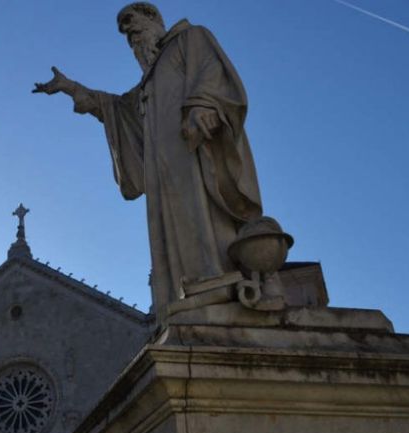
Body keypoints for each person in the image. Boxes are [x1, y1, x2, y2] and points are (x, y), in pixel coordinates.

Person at [33, 2, 263, 314]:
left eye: (132, 22)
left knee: (201, 208)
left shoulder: (189, 38)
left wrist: (202, 106)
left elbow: (212, 72)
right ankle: (183, 290)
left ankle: (216, 279)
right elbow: (114, 108)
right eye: (125, 33)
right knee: (170, 223)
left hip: (194, 147)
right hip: (162, 165)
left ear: (153, 18)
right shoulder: (148, 83)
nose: (129, 32)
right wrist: (70, 87)